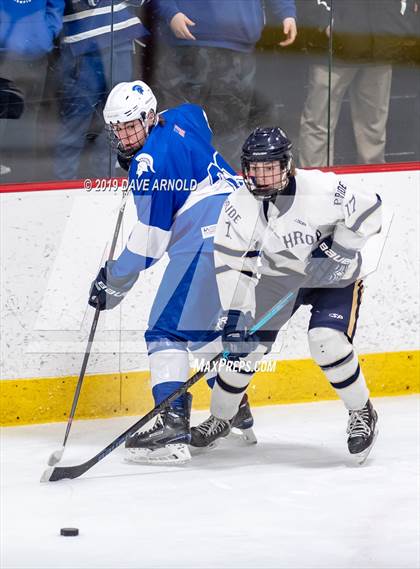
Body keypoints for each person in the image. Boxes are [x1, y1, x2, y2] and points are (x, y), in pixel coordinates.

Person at [191, 127, 382, 464]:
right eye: (255, 168)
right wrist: (236, 314)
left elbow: (372, 212)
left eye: (270, 167)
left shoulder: (322, 189)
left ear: (287, 165)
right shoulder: (238, 206)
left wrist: (337, 249)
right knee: (242, 345)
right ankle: (221, 418)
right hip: (282, 278)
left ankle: (361, 412)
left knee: (325, 340)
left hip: (336, 277)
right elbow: (231, 262)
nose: (262, 176)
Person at [88, 80, 255, 464]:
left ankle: (172, 426)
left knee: (164, 331)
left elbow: (150, 243)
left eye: (131, 125)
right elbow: (201, 115)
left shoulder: (149, 166)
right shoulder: (181, 118)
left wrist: (112, 281)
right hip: (246, 229)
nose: (125, 135)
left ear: (149, 117)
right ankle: (232, 405)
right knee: (194, 330)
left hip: (208, 240)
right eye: (118, 128)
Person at [152, 0, 297, 168]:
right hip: (187, 46)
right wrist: (170, 11)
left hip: (236, 46)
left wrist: (286, 12)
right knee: (178, 131)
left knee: (230, 136)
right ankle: (180, 187)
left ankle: (225, 189)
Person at [297, 0, 420, 167]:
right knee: (319, 123)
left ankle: (374, 184)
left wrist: (401, 17)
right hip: (334, 48)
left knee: (374, 127)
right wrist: (324, 19)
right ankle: (316, 183)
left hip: (381, 43)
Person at [53, 0, 149, 180]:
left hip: (119, 36)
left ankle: (105, 181)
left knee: (118, 118)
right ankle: (62, 188)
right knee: (76, 121)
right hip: (81, 43)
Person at [0, 0, 64, 181]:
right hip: (2, 54)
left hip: (35, 53)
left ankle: (23, 177)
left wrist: (45, 34)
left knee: (29, 117)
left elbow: (56, 5)